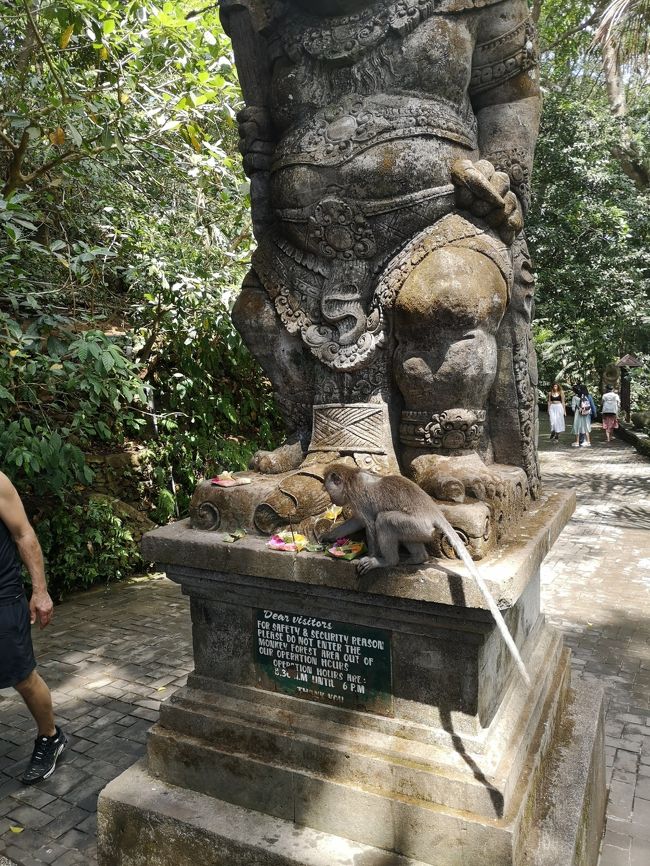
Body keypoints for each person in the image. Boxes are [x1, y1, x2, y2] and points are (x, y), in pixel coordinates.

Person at [0, 471, 67, 784]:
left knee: (22, 676)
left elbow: (23, 533)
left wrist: (40, 590)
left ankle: (50, 736)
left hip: (2, 596)